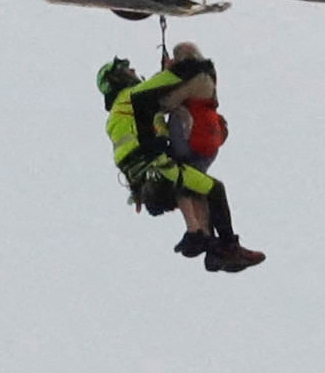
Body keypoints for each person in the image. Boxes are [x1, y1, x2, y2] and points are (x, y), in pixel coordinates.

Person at [97, 45, 265, 273]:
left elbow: (155, 95)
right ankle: (227, 248)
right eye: (127, 70)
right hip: (160, 170)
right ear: (117, 79)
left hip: (148, 176)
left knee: (197, 186)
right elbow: (166, 81)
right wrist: (197, 67)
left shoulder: (118, 112)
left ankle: (202, 239)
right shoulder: (131, 97)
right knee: (215, 189)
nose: (134, 71)